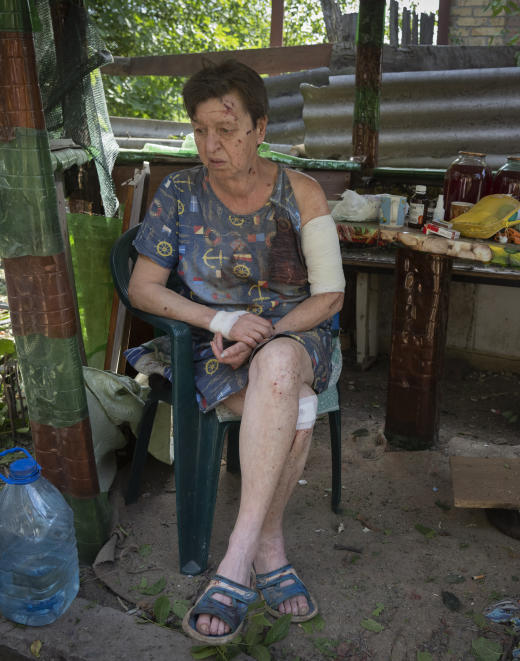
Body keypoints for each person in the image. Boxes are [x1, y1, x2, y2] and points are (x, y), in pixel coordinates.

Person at [127, 59, 345, 645]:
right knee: (295, 405)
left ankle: (235, 559)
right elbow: (142, 288)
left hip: (298, 333)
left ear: (260, 129)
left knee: (278, 367)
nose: (211, 145)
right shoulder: (178, 192)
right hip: (210, 344)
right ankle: (270, 549)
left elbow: (328, 296)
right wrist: (220, 319)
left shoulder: (301, 192)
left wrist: (266, 334)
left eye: (226, 129)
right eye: (200, 130)